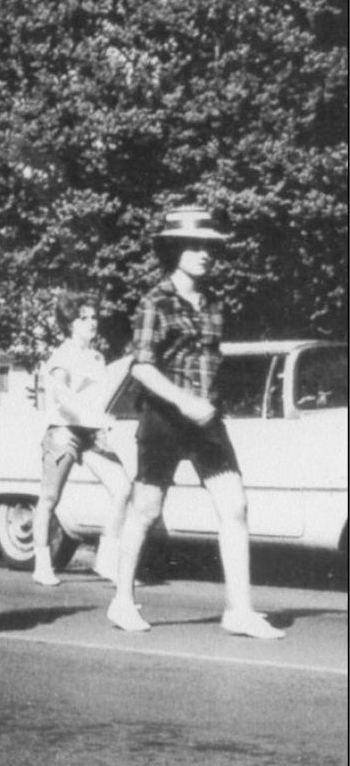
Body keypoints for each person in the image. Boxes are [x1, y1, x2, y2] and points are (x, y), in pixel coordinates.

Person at [107, 207, 284, 639]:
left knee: (235, 506)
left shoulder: (211, 302)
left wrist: (207, 404)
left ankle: (239, 610)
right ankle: (122, 600)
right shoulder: (155, 301)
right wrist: (185, 402)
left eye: (210, 246)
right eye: (195, 245)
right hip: (164, 419)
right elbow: (141, 368)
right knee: (146, 509)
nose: (205, 254)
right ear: (173, 250)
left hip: (206, 421)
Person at [32, 291, 133, 587]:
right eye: (83, 318)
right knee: (49, 498)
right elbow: (60, 391)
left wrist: (101, 423)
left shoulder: (97, 356)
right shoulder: (62, 355)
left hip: (91, 434)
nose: (91, 322)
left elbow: (101, 397)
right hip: (64, 431)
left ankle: (106, 559)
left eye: (93, 317)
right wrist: (82, 410)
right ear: (70, 323)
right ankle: (41, 564)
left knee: (123, 487)